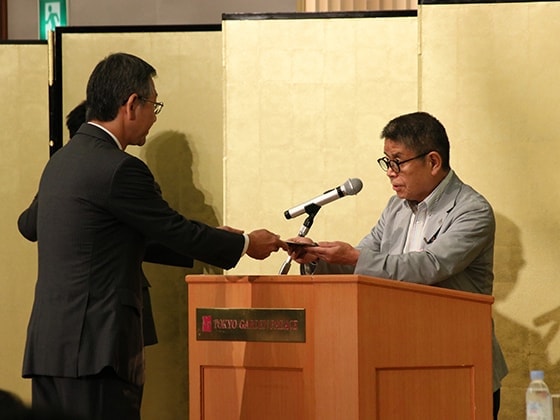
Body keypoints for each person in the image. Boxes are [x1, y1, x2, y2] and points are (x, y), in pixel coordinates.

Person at [18, 52, 286, 420]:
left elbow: (31, 225)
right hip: (97, 348)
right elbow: (172, 228)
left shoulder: (60, 162)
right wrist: (244, 244)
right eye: (154, 105)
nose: (154, 117)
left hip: (49, 345)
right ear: (132, 104)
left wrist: (211, 240)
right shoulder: (121, 168)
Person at [288, 111, 508, 419]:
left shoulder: (472, 211)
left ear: (433, 162)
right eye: (386, 162)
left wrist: (352, 257)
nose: (390, 172)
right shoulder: (396, 208)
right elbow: (365, 260)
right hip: (400, 362)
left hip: (460, 363)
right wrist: (318, 257)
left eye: (397, 161)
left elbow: (429, 266)